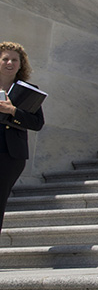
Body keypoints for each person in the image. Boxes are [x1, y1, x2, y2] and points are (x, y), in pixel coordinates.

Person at [0, 42, 44, 233]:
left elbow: (37, 123)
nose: (10, 63)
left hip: (10, 155)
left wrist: (13, 111)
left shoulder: (28, 90)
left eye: (14, 60)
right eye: (5, 59)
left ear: (21, 64)